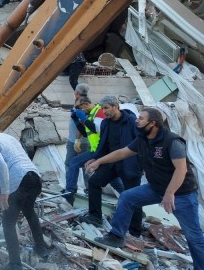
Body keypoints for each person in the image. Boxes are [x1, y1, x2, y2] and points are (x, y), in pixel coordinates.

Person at [87, 108, 204, 264]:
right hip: (155, 188)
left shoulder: (172, 141)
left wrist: (170, 193)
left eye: (141, 119)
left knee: (193, 236)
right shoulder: (143, 139)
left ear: (152, 123)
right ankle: (116, 236)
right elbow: (122, 152)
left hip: (180, 194)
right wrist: (98, 162)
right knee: (127, 197)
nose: (136, 120)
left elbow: (181, 169)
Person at [79, 96, 143, 237]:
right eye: (102, 108)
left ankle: (135, 231)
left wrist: (141, 165)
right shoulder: (105, 123)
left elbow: (141, 144)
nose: (104, 111)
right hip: (111, 162)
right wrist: (95, 158)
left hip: (130, 164)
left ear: (116, 106)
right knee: (94, 182)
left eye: (107, 108)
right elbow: (103, 143)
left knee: (133, 196)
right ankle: (95, 217)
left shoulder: (132, 121)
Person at [0, 132, 50, 270]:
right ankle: (41, 249)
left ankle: (15, 265)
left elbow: (1, 166)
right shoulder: (8, 137)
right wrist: (0, 186)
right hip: (35, 177)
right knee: (29, 211)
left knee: (8, 222)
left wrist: (4, 192)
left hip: (20, 179)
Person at [63, 95, 108, 205]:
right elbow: (84, 132)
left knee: (74, 162)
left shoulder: (99, 112)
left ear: (86, 104)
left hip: (102, 149)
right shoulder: (90, 114)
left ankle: (69, 192)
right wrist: (77, 121)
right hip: (96, 149)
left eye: (78, 107)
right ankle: (70, 191)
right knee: (74, 162)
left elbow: (96, 129)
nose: (78, 110)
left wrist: (83, 119)